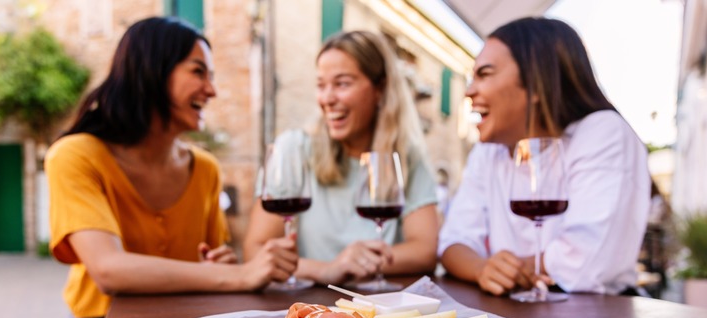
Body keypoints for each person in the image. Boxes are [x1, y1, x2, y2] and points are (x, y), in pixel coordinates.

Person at [44, 17, 298, 318]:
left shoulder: (206, 168)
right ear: (151, 71)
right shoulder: (75, 155)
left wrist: (223, 265)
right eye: (198, 72)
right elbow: (108, 270)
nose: (211, 90)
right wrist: (239, 274)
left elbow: (216, 260)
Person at [439, 17, 650, 296]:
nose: (469, 91)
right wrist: (482, 269)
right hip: (516, 312)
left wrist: (508, 271)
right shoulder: (488, 150)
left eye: (485, 74)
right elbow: (453, 243)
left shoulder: (604, 133)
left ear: (536, 84)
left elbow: (586, 263)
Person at [243, 30, 439, 286]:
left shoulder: (406, 157)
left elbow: (425, 251)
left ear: (380, 89)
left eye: (342, 84)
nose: (327, 99)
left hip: (379, 308)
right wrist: (327, 269)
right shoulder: (294, 149)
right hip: (305, 308)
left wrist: (358, 262)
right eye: (321, 85)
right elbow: (256, 250)